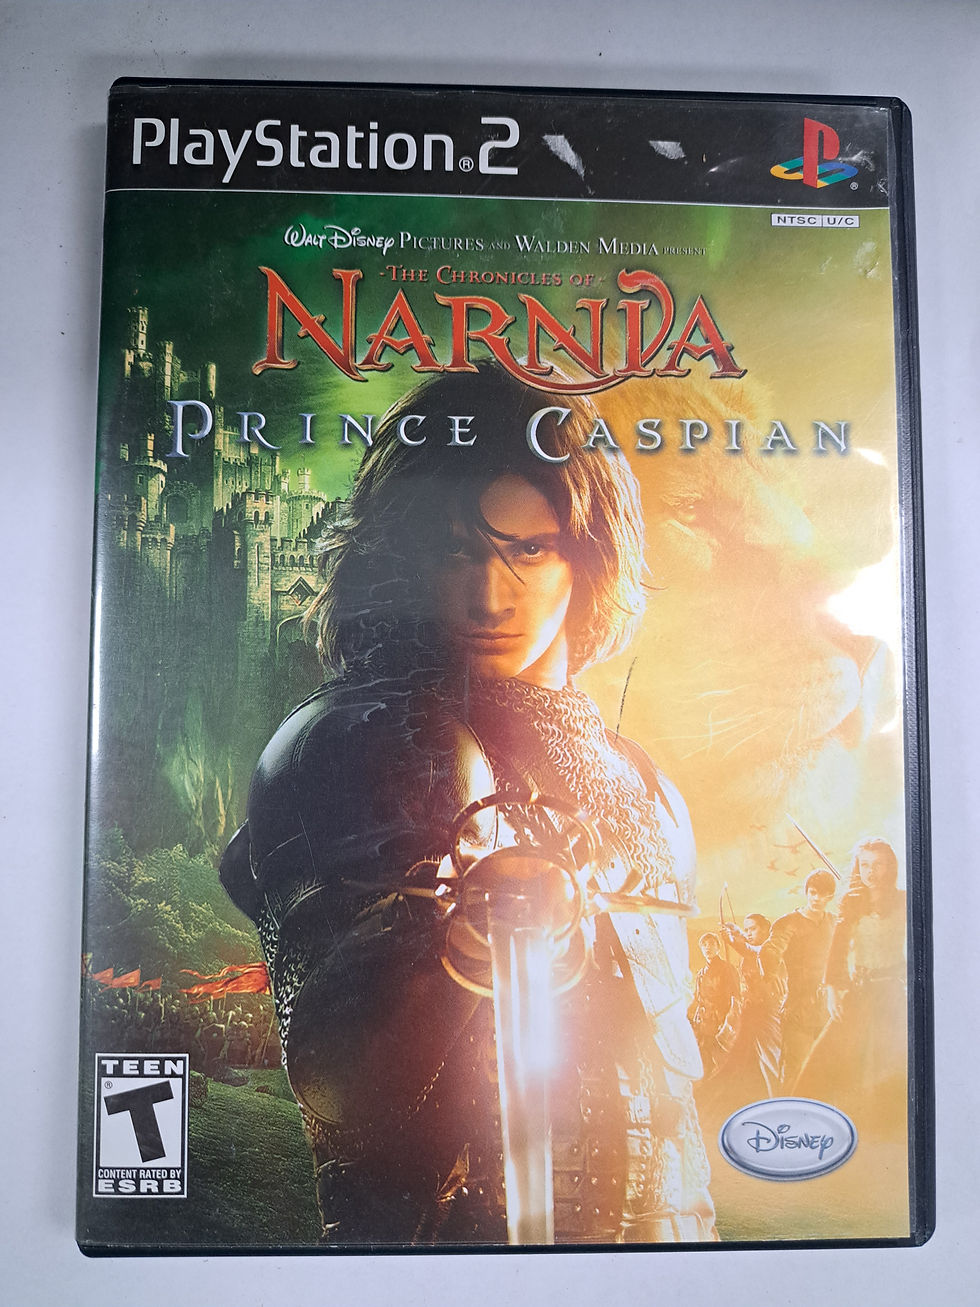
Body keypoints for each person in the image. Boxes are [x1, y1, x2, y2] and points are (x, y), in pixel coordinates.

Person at [220, 363, 715, 1246]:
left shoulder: (645, 787)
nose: (490, 596)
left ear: (588, 555)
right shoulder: (374, 742)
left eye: (530, 550)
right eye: (457, 551)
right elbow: (341, 1074)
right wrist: (452, 938)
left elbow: (671, 1114)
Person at [763, 869, 836, 1091]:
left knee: (827, 1072)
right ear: (807, 892)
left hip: (828, 1010)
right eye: (813, 893)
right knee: (796, 1072)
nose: (817, 899)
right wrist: (772, 973)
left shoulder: (834, 922)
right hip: (798, 1010)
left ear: (830, 896)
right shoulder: (788, 923)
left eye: (823, 894)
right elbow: (770, 951)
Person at [719, 913, 782, 1099]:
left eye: (752, 929)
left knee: (772, 1058)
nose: (748, 933)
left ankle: (779, 1097)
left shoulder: (771, 948)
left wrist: (733, 940)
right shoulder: (749, 952)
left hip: (769, 1013)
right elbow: (747, 949)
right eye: (746, 929)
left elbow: (755, 951)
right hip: (751, 1013)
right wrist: (734, 935)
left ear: (765, 929)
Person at [689, 932, 740, 1077]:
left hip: (721, 1021)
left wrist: (728, 1020)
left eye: (711, 944)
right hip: (704, 1022)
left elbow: (736, 998)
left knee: (722, 1058)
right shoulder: (700, 974)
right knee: (704, 1057)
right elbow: (697, 999)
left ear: (718, 947)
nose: (707, 948)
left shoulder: (727, 969)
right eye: (704, 945)